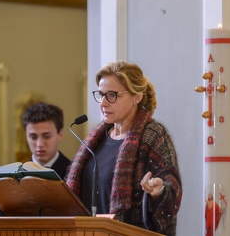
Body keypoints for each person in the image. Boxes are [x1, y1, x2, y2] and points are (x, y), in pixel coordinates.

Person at [66, 61, 182, 235]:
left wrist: (159, 192)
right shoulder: (95, 139)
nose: (103, 103)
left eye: (112, 95)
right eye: (101, 94)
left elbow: (172, 189)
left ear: (136, 97)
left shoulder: (153, 136)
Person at [0, 102, 71, 216]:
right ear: (26, 136)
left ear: (60, 134)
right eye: (33, 137)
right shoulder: (13, 177)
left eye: (46, 136)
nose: (39, 144)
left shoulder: (75, 173)